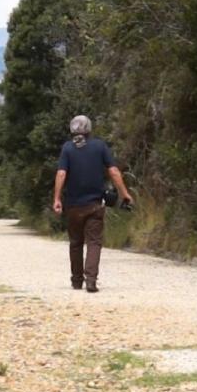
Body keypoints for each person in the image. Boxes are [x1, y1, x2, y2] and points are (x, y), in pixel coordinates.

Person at [53, 115, 132, 293]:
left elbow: (61, 174)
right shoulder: (100, 146)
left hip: (73, 205)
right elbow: (113, 171)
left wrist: (57, 198)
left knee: (75, 242)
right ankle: (91, 280)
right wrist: (124, 193)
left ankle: (76, 280)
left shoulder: (67, 149)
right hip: (95, 205)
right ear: (89, 129)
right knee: (94, 242)